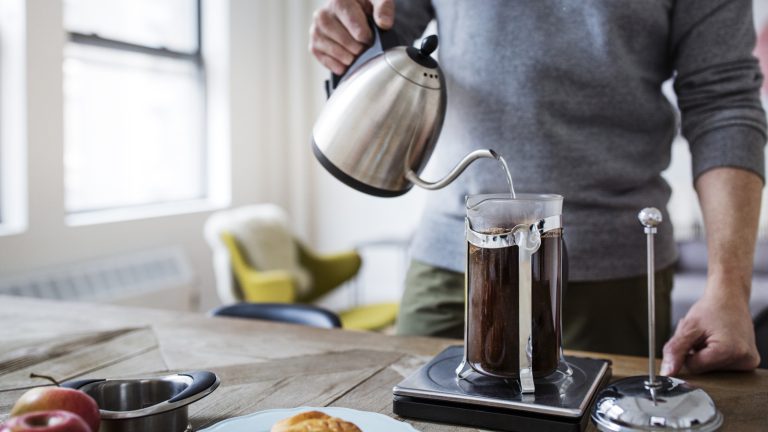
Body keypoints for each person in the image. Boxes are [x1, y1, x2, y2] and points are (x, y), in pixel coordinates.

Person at [309, 0, 765, 376]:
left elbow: (724, 101)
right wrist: (347, 32)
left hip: (610, 275)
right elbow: (384, 31)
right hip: (451, 258)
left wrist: (729, 288)